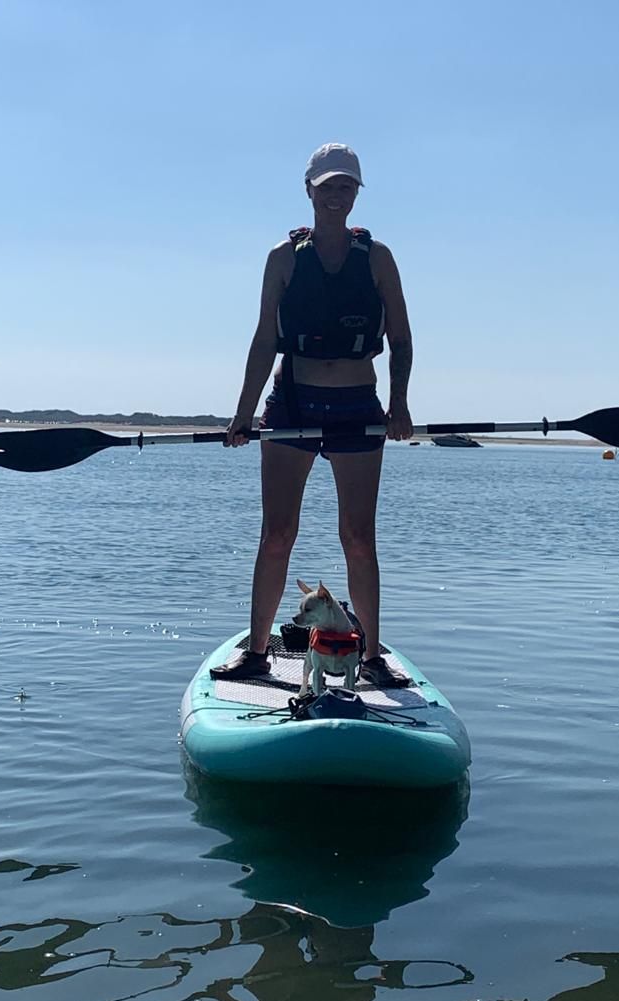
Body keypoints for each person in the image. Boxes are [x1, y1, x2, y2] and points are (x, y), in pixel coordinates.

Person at [212, 142, 414, 686]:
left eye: (346, 186)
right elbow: (263, 341)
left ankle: (371, 658)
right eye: (327, 187)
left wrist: (398, 406)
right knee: (277, 534)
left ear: (356, 193)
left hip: (357, 408)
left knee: (358, 538)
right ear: (309, 191)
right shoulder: (282, 257)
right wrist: (243, 414)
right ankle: (257, 652)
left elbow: (400, 338)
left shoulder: (377, 258)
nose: (337, 195)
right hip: (293, 404)